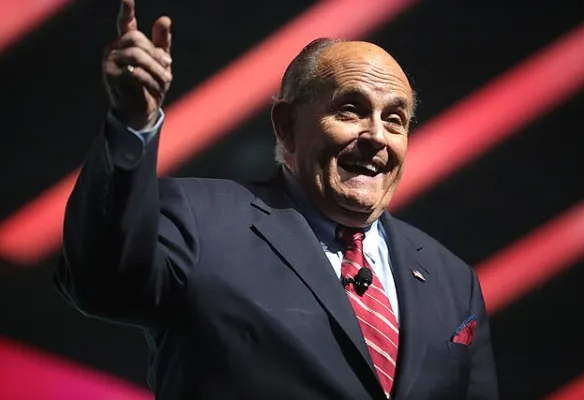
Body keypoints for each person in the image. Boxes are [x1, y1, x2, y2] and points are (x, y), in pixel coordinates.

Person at [55, 0, 499, 398]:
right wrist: (131, 125)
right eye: (350, 110)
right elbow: (101, 283)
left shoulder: (453, 280)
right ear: (287, 126)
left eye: (395, 119)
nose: (376, 137)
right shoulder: (201, 220)